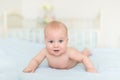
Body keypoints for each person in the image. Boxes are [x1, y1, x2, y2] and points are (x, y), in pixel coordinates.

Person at [23, 20, 97, 73]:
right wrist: (31, 67)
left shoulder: (69, 52)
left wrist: (90, 68)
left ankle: (85, 51)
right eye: (51, 41)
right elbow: (36, 60)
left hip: (72, 61)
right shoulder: (45, 51)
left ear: (67, 41)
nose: (56, 45)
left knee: (80, 57)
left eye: (60, 41)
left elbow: (83, 58)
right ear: (45, 41)